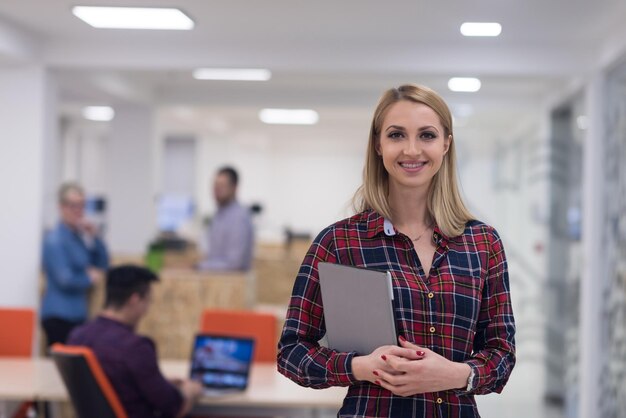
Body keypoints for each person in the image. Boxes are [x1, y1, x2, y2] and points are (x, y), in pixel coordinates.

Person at [277, 84, 516, 417]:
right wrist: (360, 367)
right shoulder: (339, 243)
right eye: (397, 135)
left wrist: (454, 374)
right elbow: (291, 352)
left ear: (446, 143)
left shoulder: (482, 243)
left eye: (427, 135)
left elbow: (501, 354)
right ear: (378, 144)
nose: (412, 149)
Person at [68, 265, 202, 418]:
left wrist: (160, 382)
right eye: (148, 301)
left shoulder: (77, 336)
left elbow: (110, 383)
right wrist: (189, 391)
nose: (147, 309)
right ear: (135, 300)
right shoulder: (135, 347)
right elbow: (172, 407)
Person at [41, 182, 109, 347]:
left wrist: (95, 237)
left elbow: (102, 263)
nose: (78, 211)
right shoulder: (54, 240)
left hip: (78, 315)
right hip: (59, 316)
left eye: (81, 205)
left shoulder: (79, 237)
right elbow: (65, 279)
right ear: (61, 207)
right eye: (73, 205)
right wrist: (88, 278)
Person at [197, 166, 254, 271]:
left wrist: (201, 266)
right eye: (215, 185)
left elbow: (235, 263)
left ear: (234, 187)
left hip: (233, 284)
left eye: (222, 185)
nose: (217, 189)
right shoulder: (218, 215)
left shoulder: (239, 218)